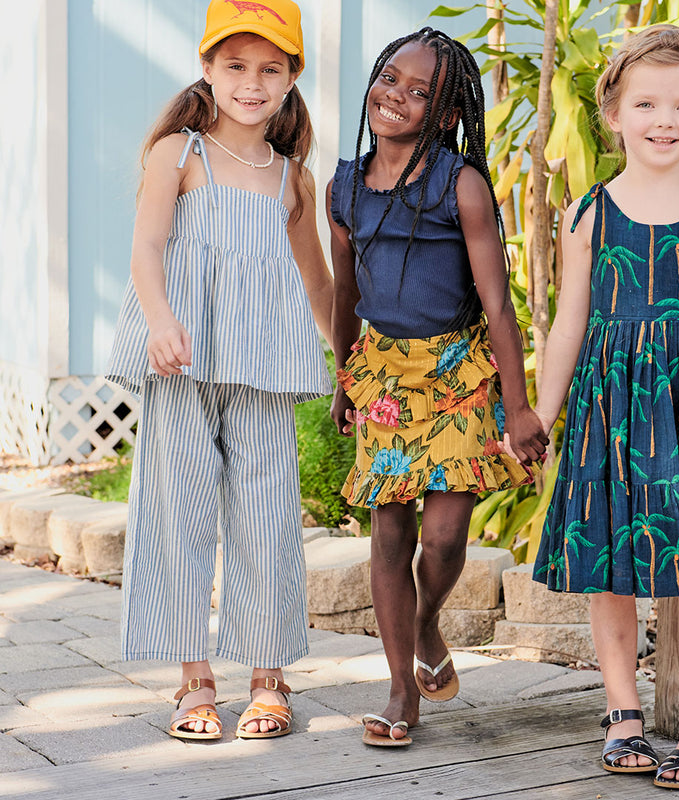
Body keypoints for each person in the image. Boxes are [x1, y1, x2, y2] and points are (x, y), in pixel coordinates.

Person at [531, 24, 679, 789]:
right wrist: (541, 417)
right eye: (646, 104)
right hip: (610, 414)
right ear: (613, 112)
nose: (664, 121)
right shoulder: (587, 215)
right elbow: (568, 325)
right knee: (610, 564)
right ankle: (622, 712)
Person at [105, 0, 333, 741]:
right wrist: (161, 320)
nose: (251, 83)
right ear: (207, 68)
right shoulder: (179, 153)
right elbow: (146, 247)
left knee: (268, 514)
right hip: (182, 359)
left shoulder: (293, 178)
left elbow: (317, 281)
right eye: (235, 65)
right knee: (178, 511)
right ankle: (193, 678)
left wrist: (351, 360)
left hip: (262, 367)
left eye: (270, 68)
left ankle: (269, 675)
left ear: (292, 79)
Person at [327, 27, 548, 747]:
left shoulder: (461, 185)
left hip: (457, 373)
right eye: (389, 77)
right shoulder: (344, 188)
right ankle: (401, 690)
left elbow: (497, 303)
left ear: (448, 114)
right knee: (390, 530)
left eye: (419, 91)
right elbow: (346, 292)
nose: (395, 95)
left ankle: (425, 621)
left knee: (446, 537)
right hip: (383, 375)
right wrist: (344, 377)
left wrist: (518, 406)